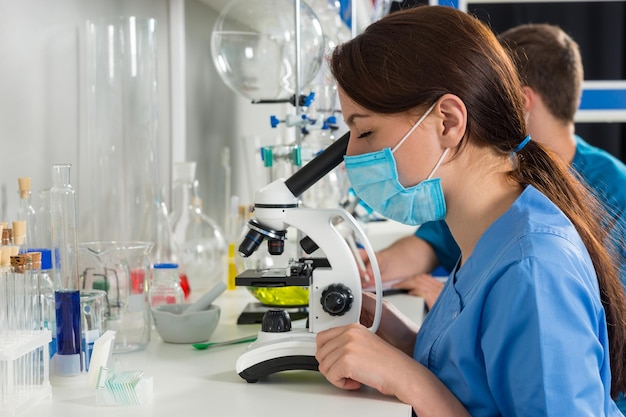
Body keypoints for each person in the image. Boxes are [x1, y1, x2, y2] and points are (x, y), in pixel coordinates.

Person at [315, 5, 626, 416]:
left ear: (447, 121)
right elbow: (483, 379)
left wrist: (410, 381)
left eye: (366, 130)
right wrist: (398, 337)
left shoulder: (533, 270)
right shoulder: (489, 229)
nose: (351, 154)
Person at [358, 22, 626, 312]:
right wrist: (375, 266)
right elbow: (436, 242)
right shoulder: (495, 174)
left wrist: (464, 307)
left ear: (521, 102)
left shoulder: (613, 190)